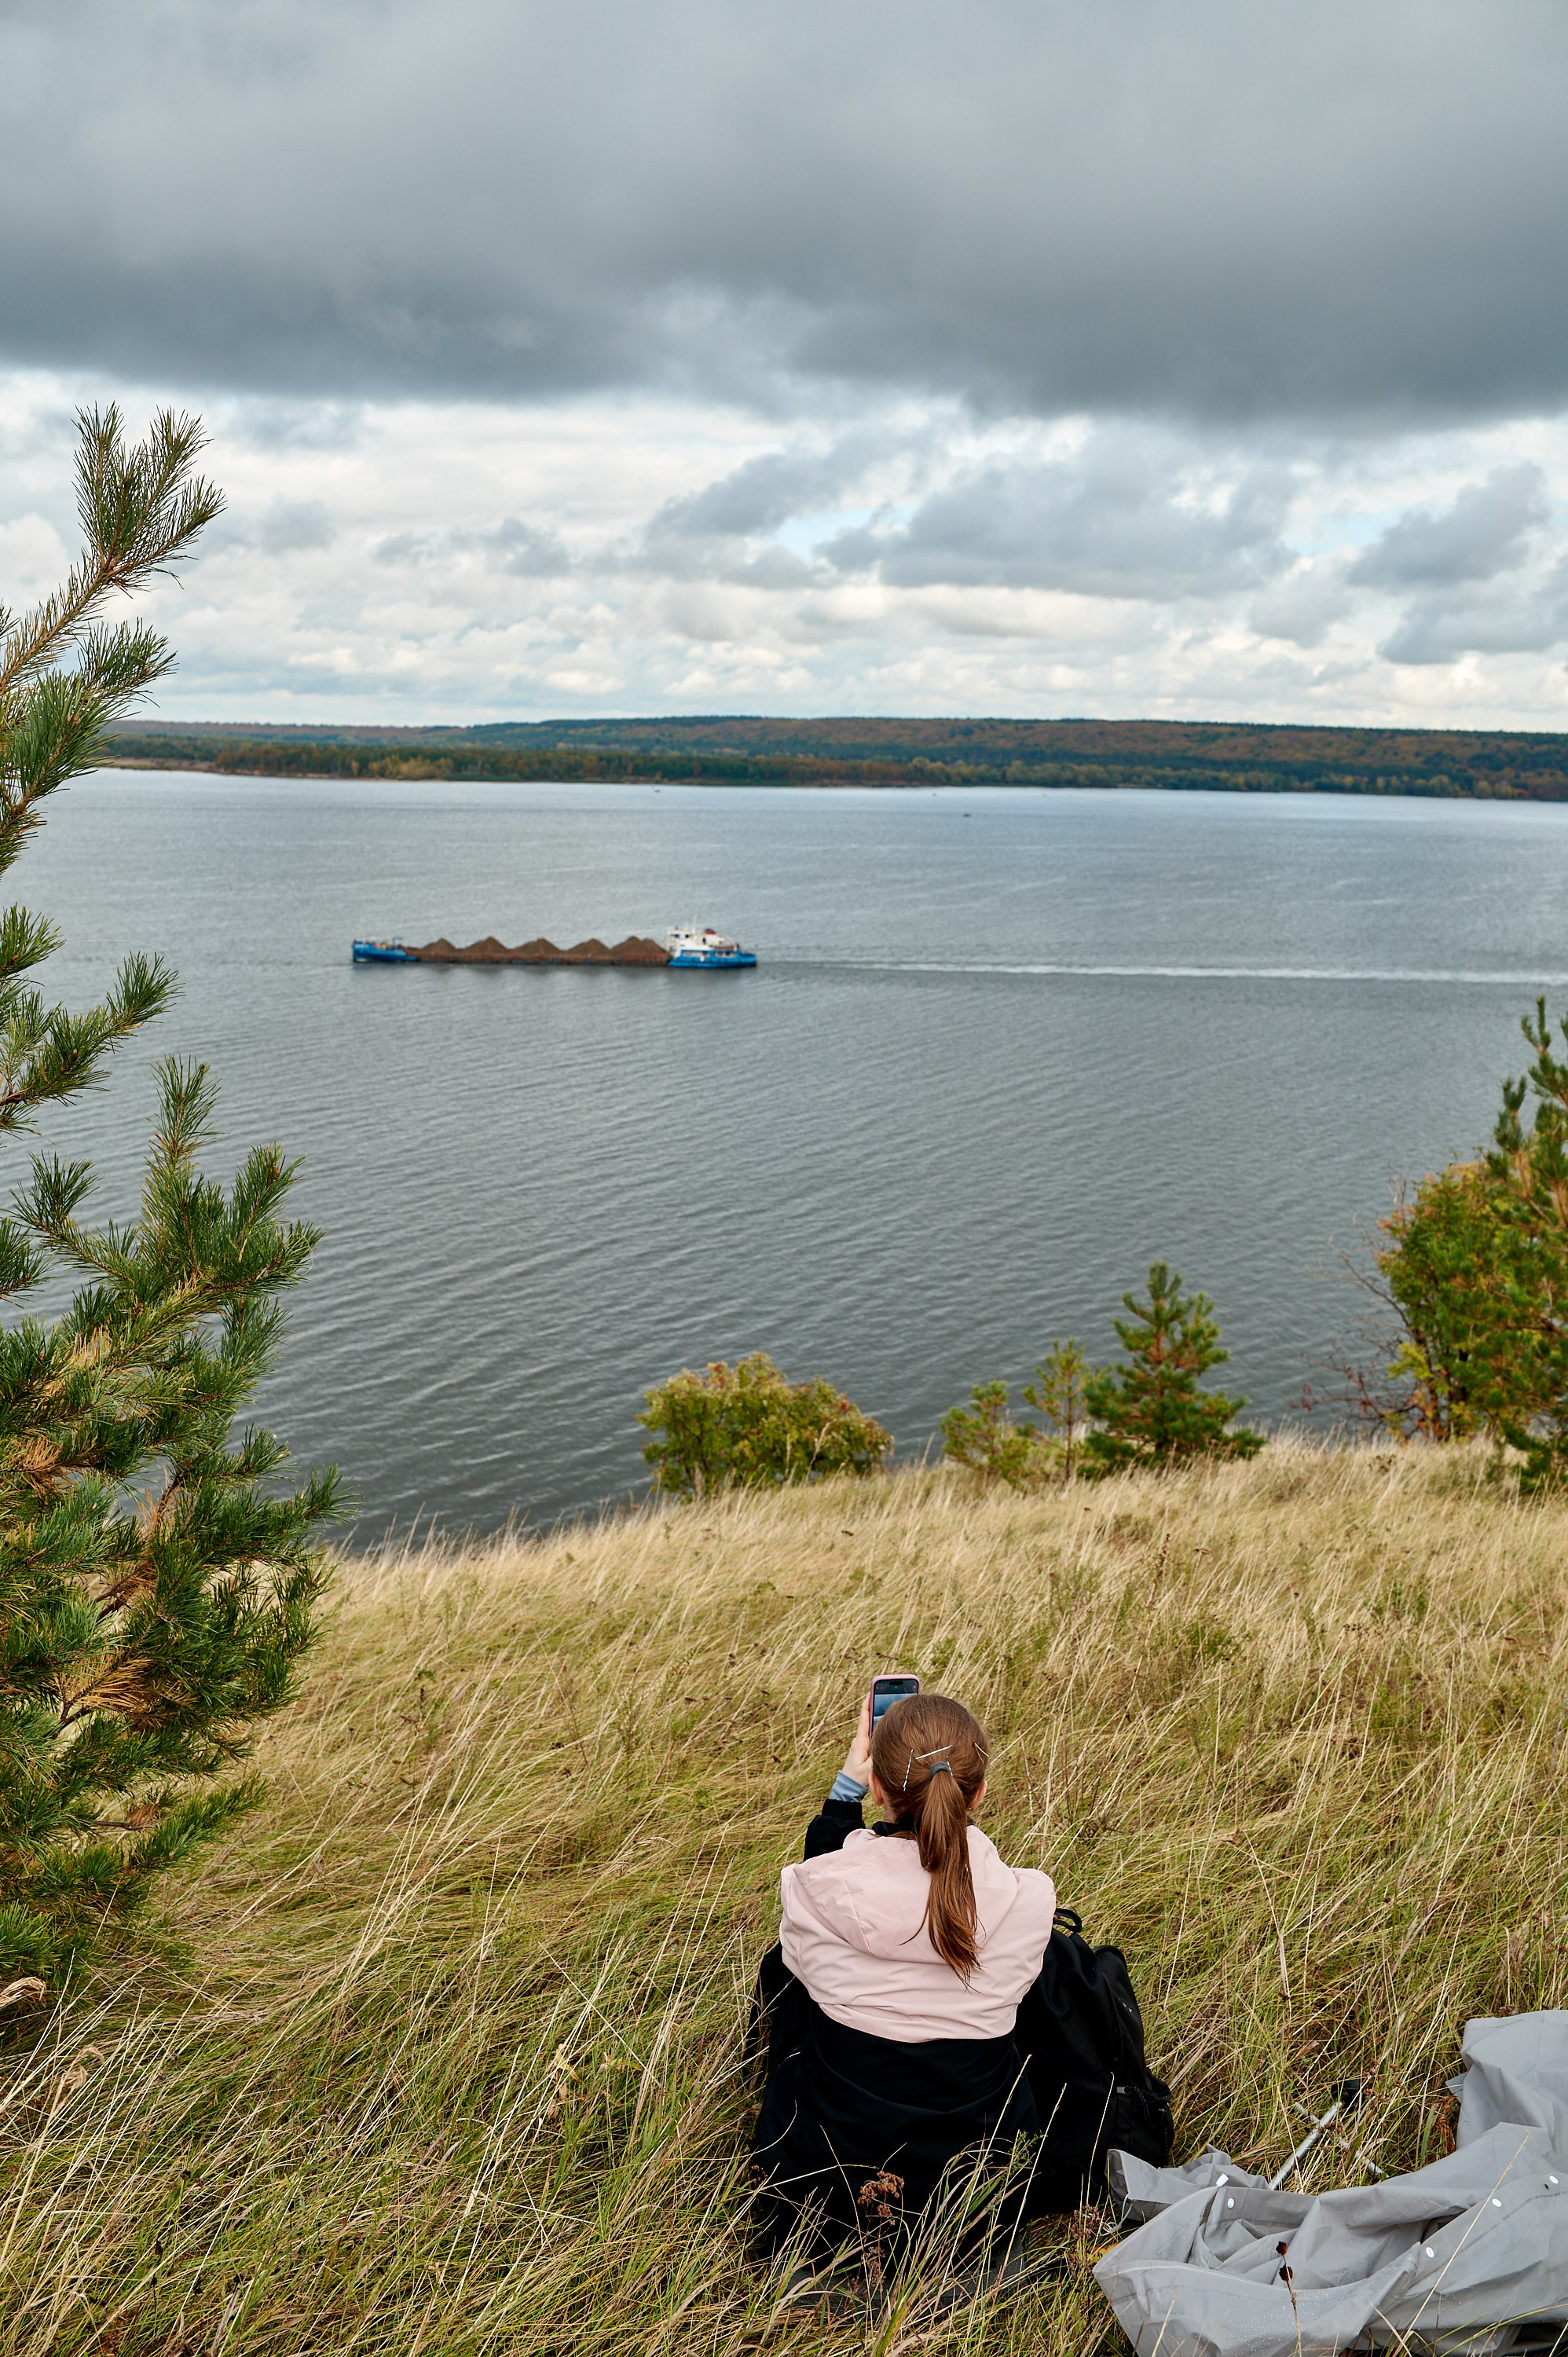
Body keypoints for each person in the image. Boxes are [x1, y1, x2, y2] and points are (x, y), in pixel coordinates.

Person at [749, 1688, 1059, 2279]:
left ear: (878, 1789)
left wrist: (846, 1791)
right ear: (979, 1794)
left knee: (786, 1978)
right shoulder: (1028, 1902)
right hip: (969, 2204)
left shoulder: (815, 1894)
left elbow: (826, 1880)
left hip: (830, 2195)